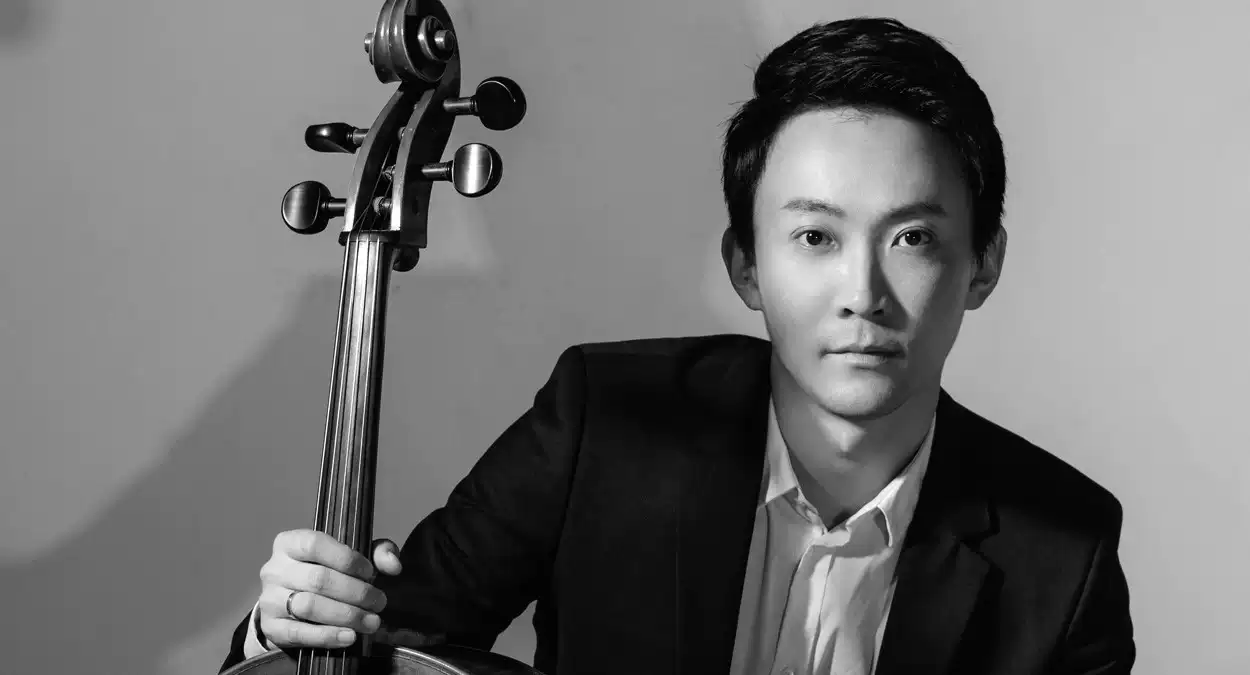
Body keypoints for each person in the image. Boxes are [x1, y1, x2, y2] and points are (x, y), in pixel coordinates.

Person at [219, 16, 1134, 675]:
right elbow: (384, 640)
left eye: (914, 238)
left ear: (983, 265)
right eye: (815, 236)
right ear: (746, 266)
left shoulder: (1064, 550)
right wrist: (286, 623)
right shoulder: (604, 420)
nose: (863, 293)